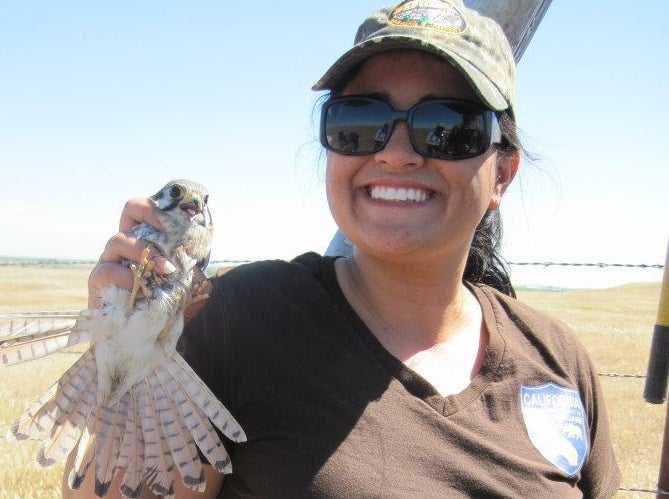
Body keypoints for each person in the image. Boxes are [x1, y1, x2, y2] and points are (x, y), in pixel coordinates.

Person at [64, 0, 621, 497]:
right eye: (361, 121)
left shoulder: (556, 359)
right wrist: (128, 361)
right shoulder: (238, 320)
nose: (397, 154)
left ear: (502, 173)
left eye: (446, 127)